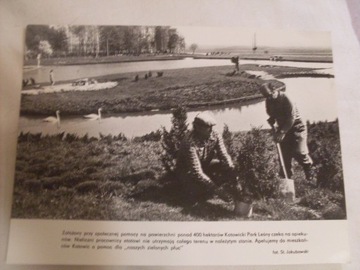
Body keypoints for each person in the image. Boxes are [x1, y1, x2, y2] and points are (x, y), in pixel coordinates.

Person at [176, 112, 242, 206]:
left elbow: (224, 155)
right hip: (188, 172)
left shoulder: (215, 135)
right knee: (197, 192)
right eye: (208, 127)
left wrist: (235, 178)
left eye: (212, 126)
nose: (211, 129)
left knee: (224, 166)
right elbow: (196, 172)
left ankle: (225, 188)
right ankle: (193, 189)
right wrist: (218, 191)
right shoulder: (189, 142)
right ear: (198, 128)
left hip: (205, 166)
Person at [260, 82, 315, 186]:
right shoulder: (269, 101)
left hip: (297, 128)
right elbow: (272, 114)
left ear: (274, 90)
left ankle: (310, 175)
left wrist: (282, 132)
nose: (268, 98)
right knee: (284, 156)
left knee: (299, 152)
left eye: (270, 95)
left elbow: (291, 118)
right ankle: (286, 180)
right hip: (283, 128)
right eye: (266, 96)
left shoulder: (286, 98)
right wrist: (272, 119)